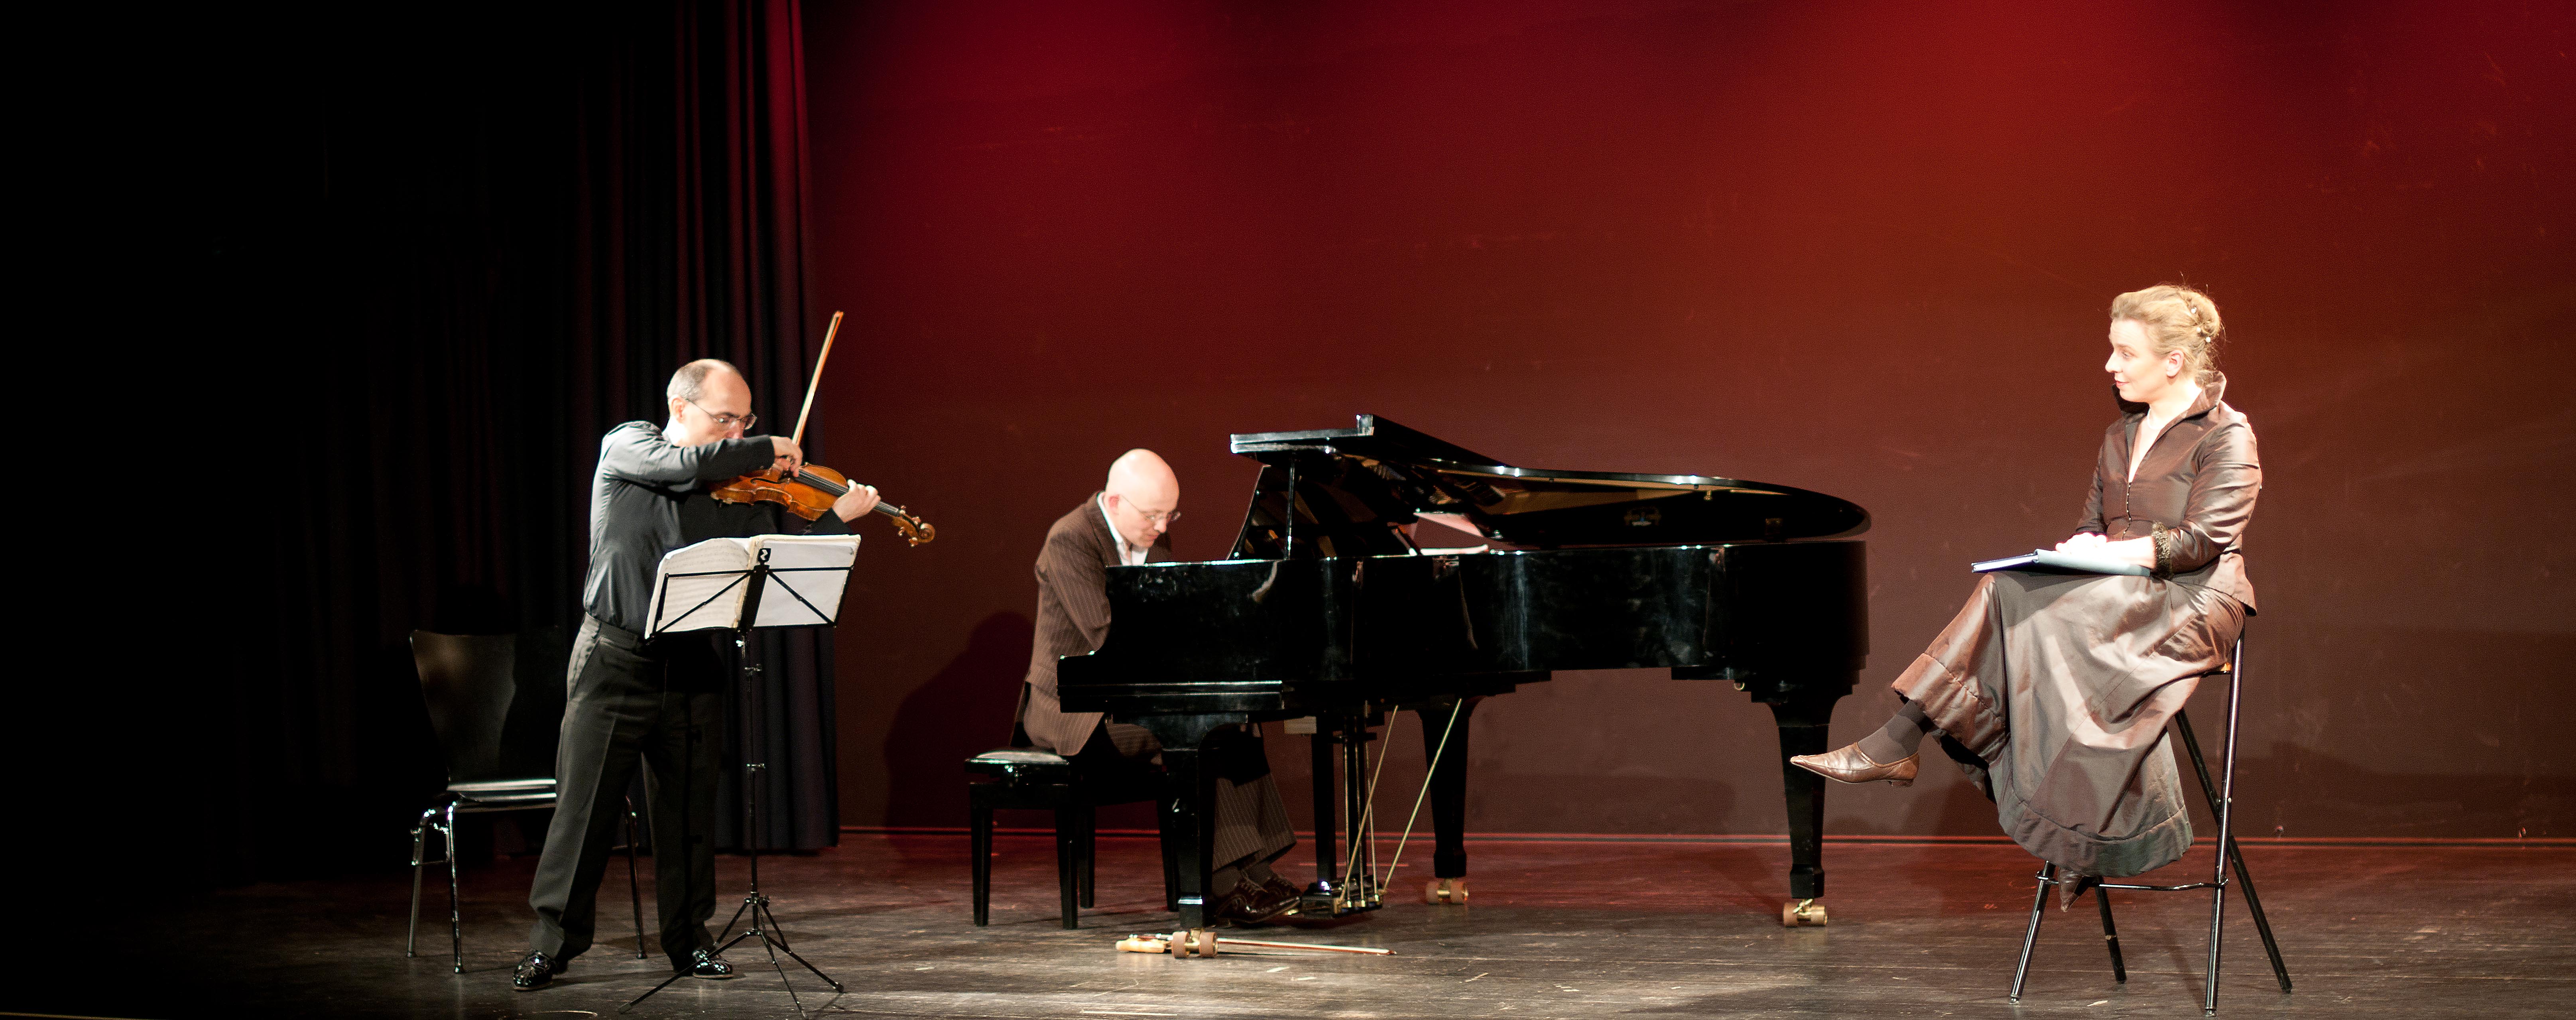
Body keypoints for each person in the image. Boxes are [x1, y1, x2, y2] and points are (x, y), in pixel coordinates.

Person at [1792, 285, 2259, 889]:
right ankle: (1930, 756)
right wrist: (2080, 547)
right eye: (2112, 349)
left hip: (2193, 599)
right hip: (2117, 591)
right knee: (2007, 586)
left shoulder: (2226, 434)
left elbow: (2200, 541)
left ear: (2173, 362)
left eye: (2125, 352)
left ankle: (1905, 741)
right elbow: (2093, 523)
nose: (2110, 365)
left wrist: (2103, 554)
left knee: (2021, 606)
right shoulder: (2120, 435)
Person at [514, 359, 880, 991]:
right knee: (585, 812)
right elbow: (679, 465)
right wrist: (764, 446)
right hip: (615, 660)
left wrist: (833, 518)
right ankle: (552, 945)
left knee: (688, 815)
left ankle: (689, 941)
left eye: (746, 420)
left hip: (691, 666)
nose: (738, 432)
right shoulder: (630, 445)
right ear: (679, 407)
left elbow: (768, 560)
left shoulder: (734, 488)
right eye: (726, 418)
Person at [1018, 449, 1303, 924]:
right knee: (1199, 734)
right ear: (1114, 502)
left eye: (1169, 515)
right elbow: (1106, 634)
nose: (1162, 526)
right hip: (1075, 713)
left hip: (1130, 699)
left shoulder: (1153, 537)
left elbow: (1168, 616)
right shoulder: (1070, 540)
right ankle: (1221, 884)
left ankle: (1256, 867)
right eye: (1152, 515)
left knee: (1237, 723)